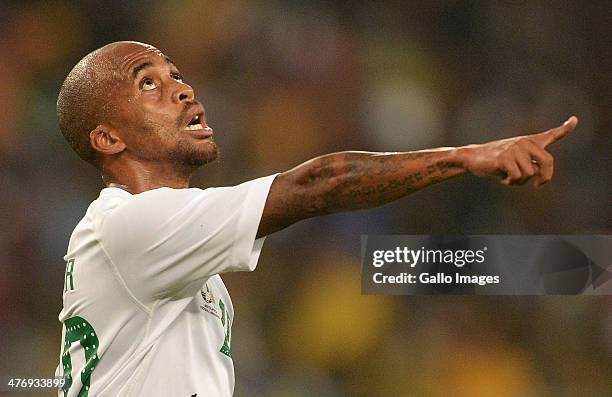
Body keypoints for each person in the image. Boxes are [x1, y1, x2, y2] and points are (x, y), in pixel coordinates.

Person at [54, 41, 577, 396]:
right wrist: (464, 157)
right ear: (107, 137)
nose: (183, 89)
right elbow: (318, 185)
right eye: (148, 83)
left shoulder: (150, 241)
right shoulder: (134, 228)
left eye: (177, 75)